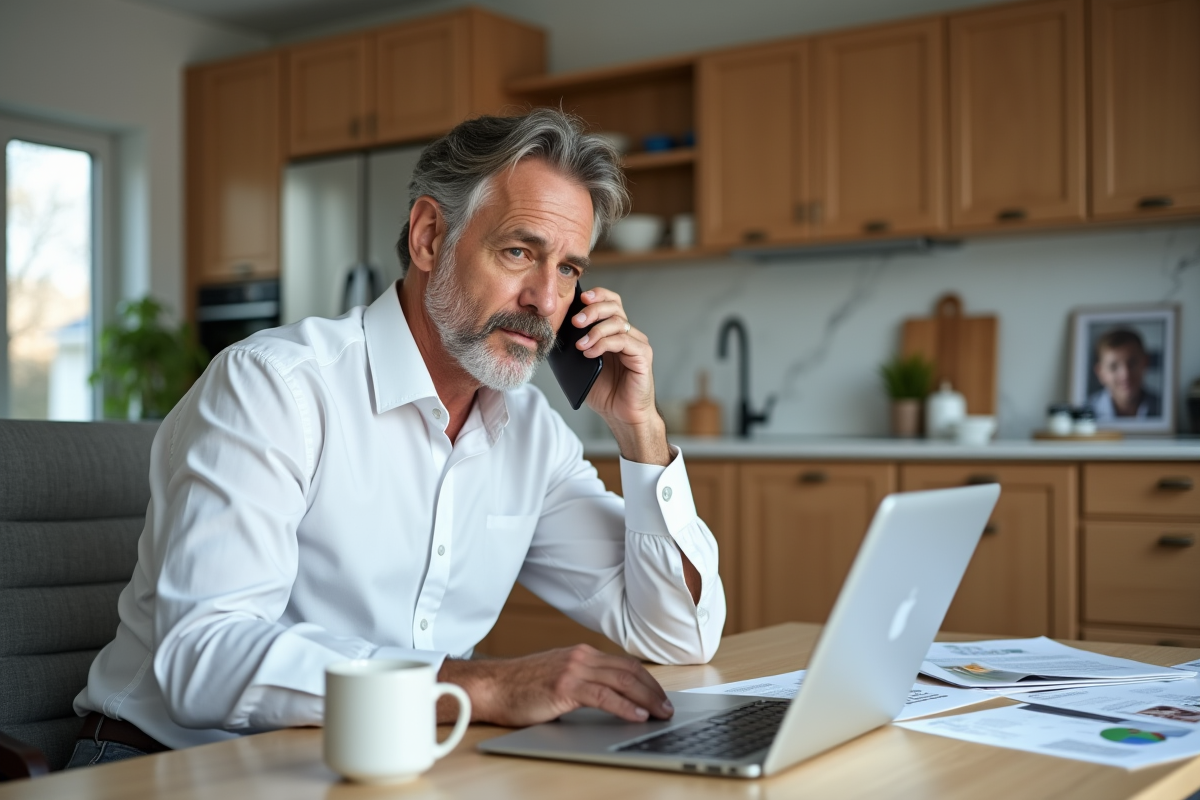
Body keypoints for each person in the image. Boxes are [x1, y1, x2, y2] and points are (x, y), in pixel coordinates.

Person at [69, 110, 726, 767]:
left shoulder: (534, 439)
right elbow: (201, 658)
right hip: (170, 765)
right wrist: (483, 684)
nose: (545, 300)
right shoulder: (276, 388)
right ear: (429, 236)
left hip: (387, 766)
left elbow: (676, 634)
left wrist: (641, 431)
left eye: (569, 270)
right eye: (520, 252)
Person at [1087, 327, 1161, 420]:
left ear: (1145, 362)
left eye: (1132, 363)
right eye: (1113, 367)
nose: (1125, 375)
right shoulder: (1086, 412)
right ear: (1100, 373)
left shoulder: (1165, 408)